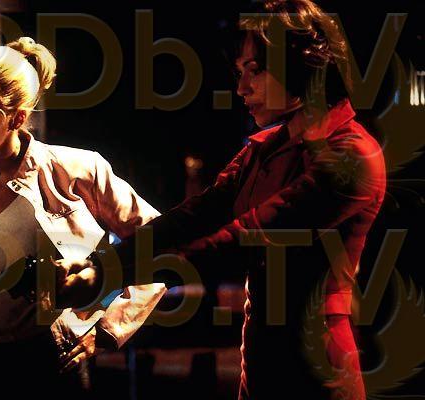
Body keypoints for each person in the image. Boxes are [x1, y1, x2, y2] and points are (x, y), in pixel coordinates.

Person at [83, 1, 386, 398]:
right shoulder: (265, 147)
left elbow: (246, 239)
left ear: (300, 66)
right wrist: (101, 265)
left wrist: (107, 276)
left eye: (254, 71)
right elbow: (193, 215)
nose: (242, 88)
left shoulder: (352, 155)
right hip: (260, 367)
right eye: (240, 72)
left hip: (316, 374)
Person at [0, 36, 165, 393]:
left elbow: (159, 243)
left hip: (53, 362)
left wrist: (106, 331)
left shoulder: (77, 170)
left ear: (17, 118)